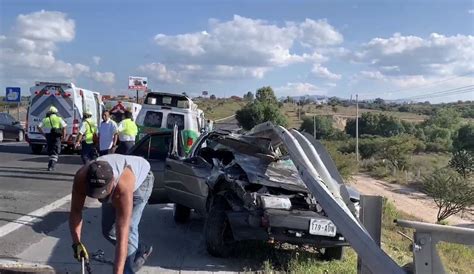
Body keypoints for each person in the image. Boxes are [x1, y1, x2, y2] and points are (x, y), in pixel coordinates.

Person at [69, 155, 154, 274]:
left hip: (141, 183)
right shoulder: (81, 177)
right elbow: (76, 211)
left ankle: (127, 270)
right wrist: (76, 243)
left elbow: (123, 234)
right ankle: (141, 249)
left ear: (112, 183)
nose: (99, 198)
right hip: (113, 181)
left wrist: (118, 271)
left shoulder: (123, 188)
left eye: (102, 194)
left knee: (128, 232)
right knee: (108, 231)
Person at [38, 106, 67, 171]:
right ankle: (51, 165)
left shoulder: (45, 119)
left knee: (51, 150)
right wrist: (64, 136)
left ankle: (50, 164)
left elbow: (38, 127)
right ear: (56, 112)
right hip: (57, 136)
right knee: (56, 151)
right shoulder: (59, 118)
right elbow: (64, 127)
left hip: (48, 136)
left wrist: (43, 134)